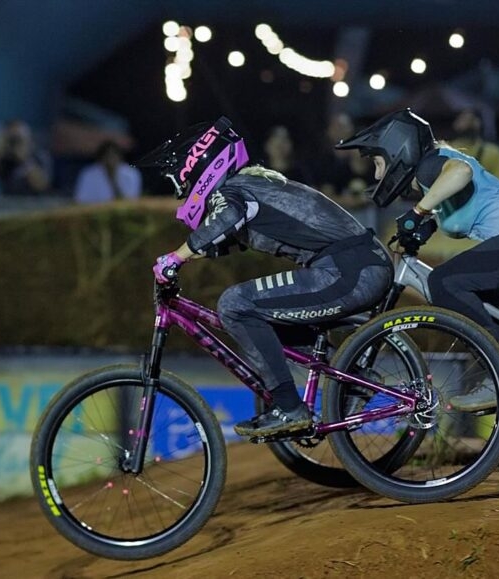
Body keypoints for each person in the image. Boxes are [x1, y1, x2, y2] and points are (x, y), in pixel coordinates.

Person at [147, 117, 393, 436]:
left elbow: (229, 218)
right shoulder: (251, 186)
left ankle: (290, 407)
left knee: (235, 303)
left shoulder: (233, 191)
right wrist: (188, 257)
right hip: (355, 266)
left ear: (199, 171)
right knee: (269, 320)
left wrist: (175, 257)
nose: (182, 191)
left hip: (349, 271)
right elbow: (228, 239)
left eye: (182, 180)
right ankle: (357, 380)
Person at [336, 109, 499, 412]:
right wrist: (427, 223)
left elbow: (460, 174)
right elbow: (469, 201)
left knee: (443, 282)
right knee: (470, 306)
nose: (376, 175)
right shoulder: (432, 175)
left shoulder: (430, 164)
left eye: (377, 162)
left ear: (397, 149)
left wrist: (419, 212)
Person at [0, 120, 51, 195]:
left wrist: (24, 159)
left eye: (19, 139)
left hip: (33, 204)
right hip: (8, 203)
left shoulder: (39, 156)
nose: (15, 142)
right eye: (12, 139)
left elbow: (42, 186)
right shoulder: (4, 157)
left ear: (29, 139)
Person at [449, 108, 499, 180]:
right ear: (455, 123)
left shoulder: (493, 152)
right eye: (464, 119)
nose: (469, 122)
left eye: (472, 119)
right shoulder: (445, 151)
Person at [74, 140, 142, 204]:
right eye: (107, 156)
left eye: (113, 156)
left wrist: (113, 179)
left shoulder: (131, 173)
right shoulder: (88, 174)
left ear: (119, 157)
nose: (110, 160)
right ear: (101, 158)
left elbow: (130, 202)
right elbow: (81, 201)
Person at [309, 112, 356, 197]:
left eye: (343, 127)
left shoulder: (362, 156)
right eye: (335, 127)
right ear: (329, 131)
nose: (339, 131)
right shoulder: (323, 161)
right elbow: (326, 194)